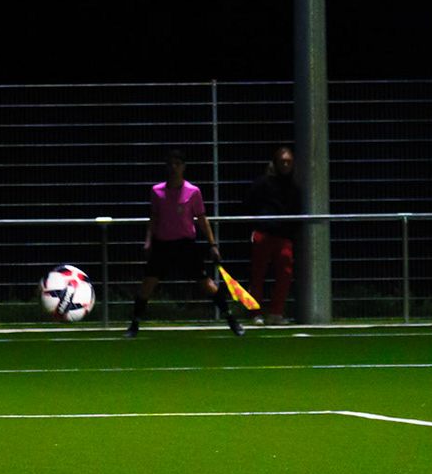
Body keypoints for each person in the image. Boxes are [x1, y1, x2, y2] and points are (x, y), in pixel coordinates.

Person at [126, 148, 242, 338]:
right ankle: (134, 325)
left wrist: (212, 244)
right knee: (147, 284)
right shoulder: (157, 191)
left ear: (183, 167)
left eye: (177, 164)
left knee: (207, 285)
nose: (173, 168)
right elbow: (154, 218)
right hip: (163, 244)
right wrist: (148, 241)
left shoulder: (193, 192)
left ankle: (231, 320)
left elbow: (202, 219)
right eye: (170, 164)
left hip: (185, 245)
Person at [243, 144, 302, 325]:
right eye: (282, 161)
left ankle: (276, 312)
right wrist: (259, 222)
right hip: (264, 234)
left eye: (288, 162)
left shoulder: (294, 188)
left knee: (285, 273)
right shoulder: (263, 183)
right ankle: (254, 313)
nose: (285, 165)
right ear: (275, 163)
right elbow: (249, 202)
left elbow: (297, 211)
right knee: (257, 274)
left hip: (283, 237)